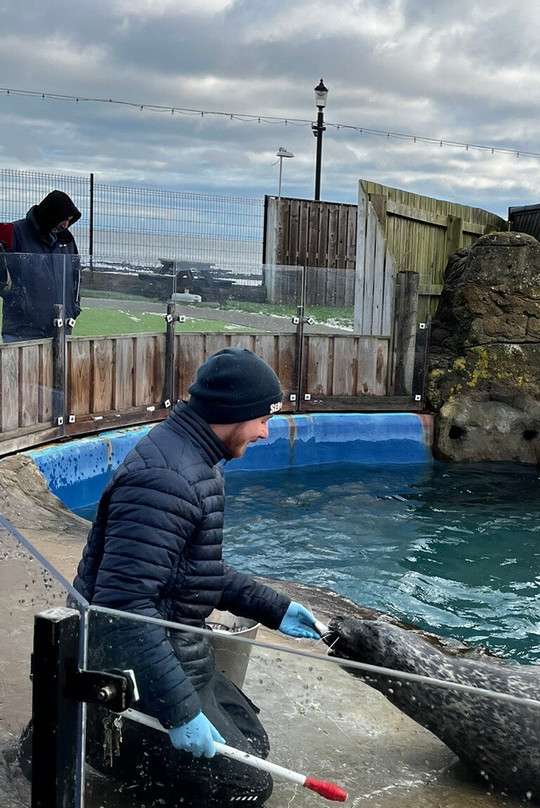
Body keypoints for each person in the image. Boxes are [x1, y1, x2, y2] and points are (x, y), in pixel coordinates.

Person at [71, 347, 321, 806]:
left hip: (176, 646)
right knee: (245, 788)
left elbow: (192, 571)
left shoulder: (196, 459)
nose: (265, 432)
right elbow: (122, 607)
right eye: (262, 419)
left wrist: (276, 608)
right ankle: (97, 740)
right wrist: (180, 711)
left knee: (253, 743)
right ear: (232, 413)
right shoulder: (165, 481)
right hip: (123, 664)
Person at [0, 189, 83, 342]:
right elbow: (3, 276)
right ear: (51, 214)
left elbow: (76, 276)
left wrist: (74, 307)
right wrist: (19, 302)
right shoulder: (17, 232)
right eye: (63, 219)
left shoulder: (67, 240)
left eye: (69, 220)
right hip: (23, 329)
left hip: (60, 327)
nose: (66, 224)